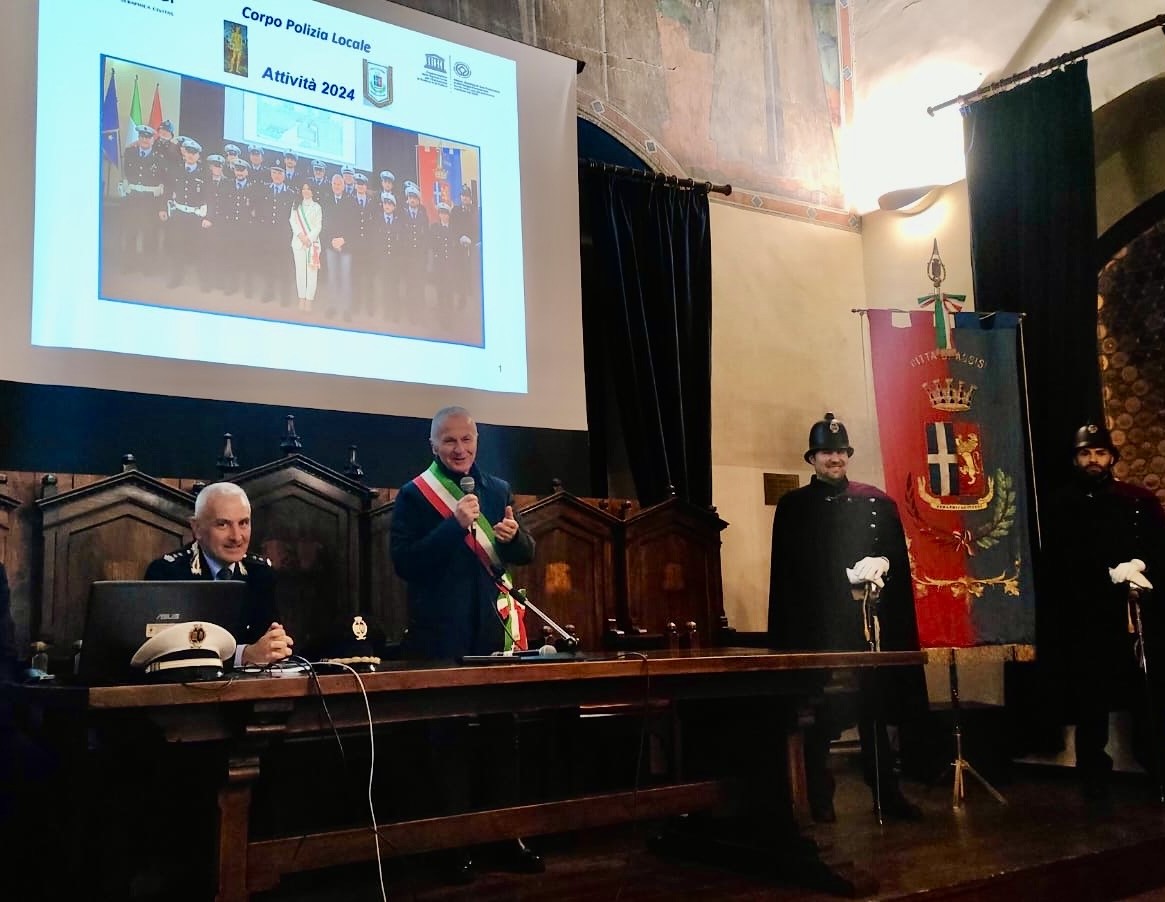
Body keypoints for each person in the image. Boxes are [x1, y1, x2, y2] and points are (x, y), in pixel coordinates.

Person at [389, 406, 542, 880]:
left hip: (494, 630)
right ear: (433, 445)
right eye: (450, 441)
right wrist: (452, 525)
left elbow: (525, 553)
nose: (460, 449)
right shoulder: (415, 494)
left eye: (467, 440)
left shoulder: (496, 489)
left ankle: (506, 836)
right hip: (441, 634)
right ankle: (452, 844)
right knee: (448, 741)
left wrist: (514, 539)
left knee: (502, 735)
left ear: (477, 441)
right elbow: (405, 563)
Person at [768, 412, 925, 823]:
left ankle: (887, 793)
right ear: (812, 458)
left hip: (869, 627)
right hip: (819, 628)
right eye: (826, 452)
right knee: (820, 715)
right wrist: (840, 577)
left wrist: (883, 562)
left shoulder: (876, 501)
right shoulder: (795, 507)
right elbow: (791, 572)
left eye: (840, 451)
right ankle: (819, 797)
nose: (835, 459)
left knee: (876, 709)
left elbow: (896, 557)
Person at [1040, 422, 1165, 796]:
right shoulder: (1061, 505)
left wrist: (1140, 564)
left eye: (1099, 452)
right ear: (1075, 459)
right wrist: (1103, 574)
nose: (1093, 460)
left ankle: (1156, 768)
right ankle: (1093, 778)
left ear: (1112, 457)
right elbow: (1058, 562)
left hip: (1135, 613)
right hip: (1086, 615)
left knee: (1147, 694)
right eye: (1085, 453)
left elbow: (1158, 546)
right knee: (1090, 700)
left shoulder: (1137, 500)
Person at [144, 482, 292, 668]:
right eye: (223, 524)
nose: (236, 537)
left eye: (243, 523)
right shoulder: (168, 573)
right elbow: (171, 654)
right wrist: (242, 656)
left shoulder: (260, 573)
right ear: (197, 528)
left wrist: (275, 647)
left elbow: (268, 643)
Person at [290, 181, 322, 311]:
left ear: (312, 191)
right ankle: (301, 299)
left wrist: (308, 239)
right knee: (300, 273)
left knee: (312, 273)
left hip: (313, 244)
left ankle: (309, 300)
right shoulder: (296, 205)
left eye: (308, 189)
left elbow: (318, 226)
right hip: (298, 243)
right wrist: (301, 237)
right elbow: (292, 221)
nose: (306, 191)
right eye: (303, 189)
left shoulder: (317, 207)